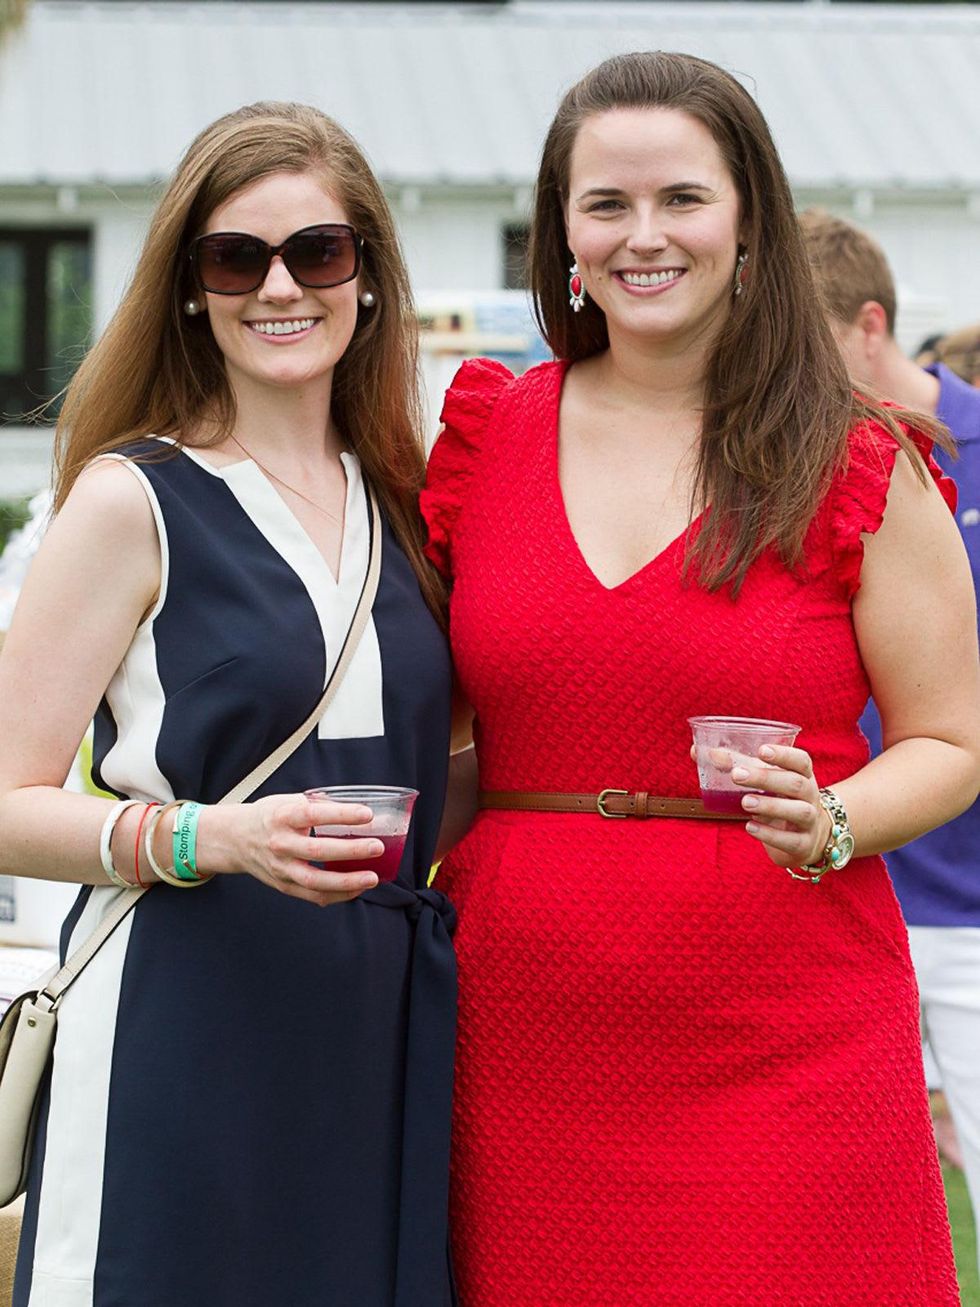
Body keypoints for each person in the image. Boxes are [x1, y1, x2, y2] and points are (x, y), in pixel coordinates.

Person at [421, 51, 980, 1305]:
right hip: (523, 1020)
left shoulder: (854, 459)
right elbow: (437, 732)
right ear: (560, 229)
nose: (642, 236)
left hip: (789, 1019)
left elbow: (950, 739)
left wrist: (835, 816)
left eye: (681, 198)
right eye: (604, 204)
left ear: (748, 222)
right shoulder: (482, 437)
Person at [0, 102, 456, 1306]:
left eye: (317, 251)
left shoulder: (407, 503)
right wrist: (210, 834)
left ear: (365, 276)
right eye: (232, 257)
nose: (278, 287)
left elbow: (445, 757)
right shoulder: (130, 499)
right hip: (181, 1015)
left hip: (375, 1026)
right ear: (190, 289)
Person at [801, 206, 980, 1269]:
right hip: (829, 889)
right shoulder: (782, 460)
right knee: (842, 1211)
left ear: (868, 326)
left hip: (969, 901)